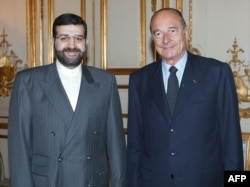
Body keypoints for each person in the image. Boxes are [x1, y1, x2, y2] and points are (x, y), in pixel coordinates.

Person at [127, 8, 243, 187]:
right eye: (158, 33)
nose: (166, 40)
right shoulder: (139, 80)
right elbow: (135, 146)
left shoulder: (217, 73)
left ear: (186, 33)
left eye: (172, 31)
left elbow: (232, 143)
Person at [8, 13, 127, 187]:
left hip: (92, 181)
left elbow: (116, 146)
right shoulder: (28, 82)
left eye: (78, 38)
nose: (72, 45)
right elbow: (19, 149)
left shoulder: (105, 81)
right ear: (53, 41)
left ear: (86, 42)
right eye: (64, 38)